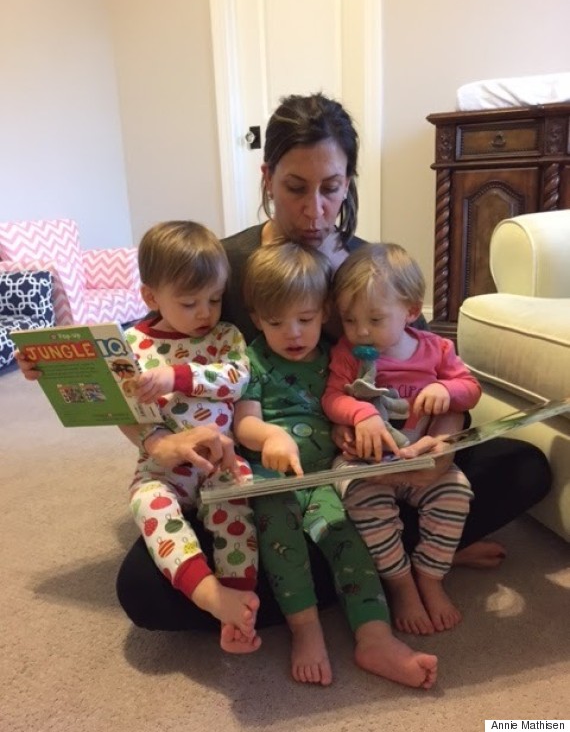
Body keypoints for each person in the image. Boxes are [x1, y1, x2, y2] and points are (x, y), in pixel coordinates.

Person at [17, 93, 551, 634]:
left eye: (332, 188)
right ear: (268, 177)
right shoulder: (221, 269)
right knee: (142, 593)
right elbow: (142, 366)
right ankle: (403, 554)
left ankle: (385, 554)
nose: (315, 210)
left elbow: (430, 365)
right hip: (259, 479)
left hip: (383, 457)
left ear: (349, 181)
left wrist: (442, 441)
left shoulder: (368, 267)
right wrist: (64, 368)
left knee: (525, 465)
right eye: (296, 188)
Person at [232, 240, 437, 688]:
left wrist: (349, 429)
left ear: (324, 313)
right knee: (279, 535)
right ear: (255, 320)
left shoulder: (337, 355)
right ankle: (306, 630)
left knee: (349, 539)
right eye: (275, 322)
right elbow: (244, 423)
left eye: (305, 320)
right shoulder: (252, 359)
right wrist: (270, 434)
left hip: (329, 476)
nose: (293, 333)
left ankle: (375, 638)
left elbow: (347, 403)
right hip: (273, 480)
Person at [113, 220, 261, 652]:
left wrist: (177, 375)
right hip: (163, 466)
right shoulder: (132, 343)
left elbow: (236, 378)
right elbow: (123, 410)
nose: (205, 313)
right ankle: (212, 597)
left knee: (237, 508)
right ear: (151, 297)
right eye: (190, 302)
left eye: (215, 299)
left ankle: (238, 610)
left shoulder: (225, 336)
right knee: (148, 503)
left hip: (221, 462)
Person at [322, 242, 481, 636]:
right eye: (349, 319)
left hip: (423, 460)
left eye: (375, 320)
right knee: (360, 501)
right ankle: (402, 584)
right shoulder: (349, 353)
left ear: (411, 311)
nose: (360, 331)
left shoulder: (436, 348)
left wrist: (448, 392)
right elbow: (332, 396)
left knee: (457, 491)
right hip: (365, 462)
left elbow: (471, 387)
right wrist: (360, 415)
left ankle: (430, 575)